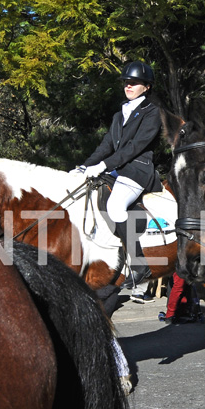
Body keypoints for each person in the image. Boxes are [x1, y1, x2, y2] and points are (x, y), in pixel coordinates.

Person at [72, 61, 161, 289]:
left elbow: (135, 147)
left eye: (134, 83)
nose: (128, 86)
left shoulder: (152, 113)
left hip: (138, 169)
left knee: (115, 206)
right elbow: (106, 146)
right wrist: (84, 166)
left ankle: (140, 265)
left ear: (147, 86)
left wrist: (103, 165)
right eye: (126, 83)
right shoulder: (119, 114)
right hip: (116, 169)